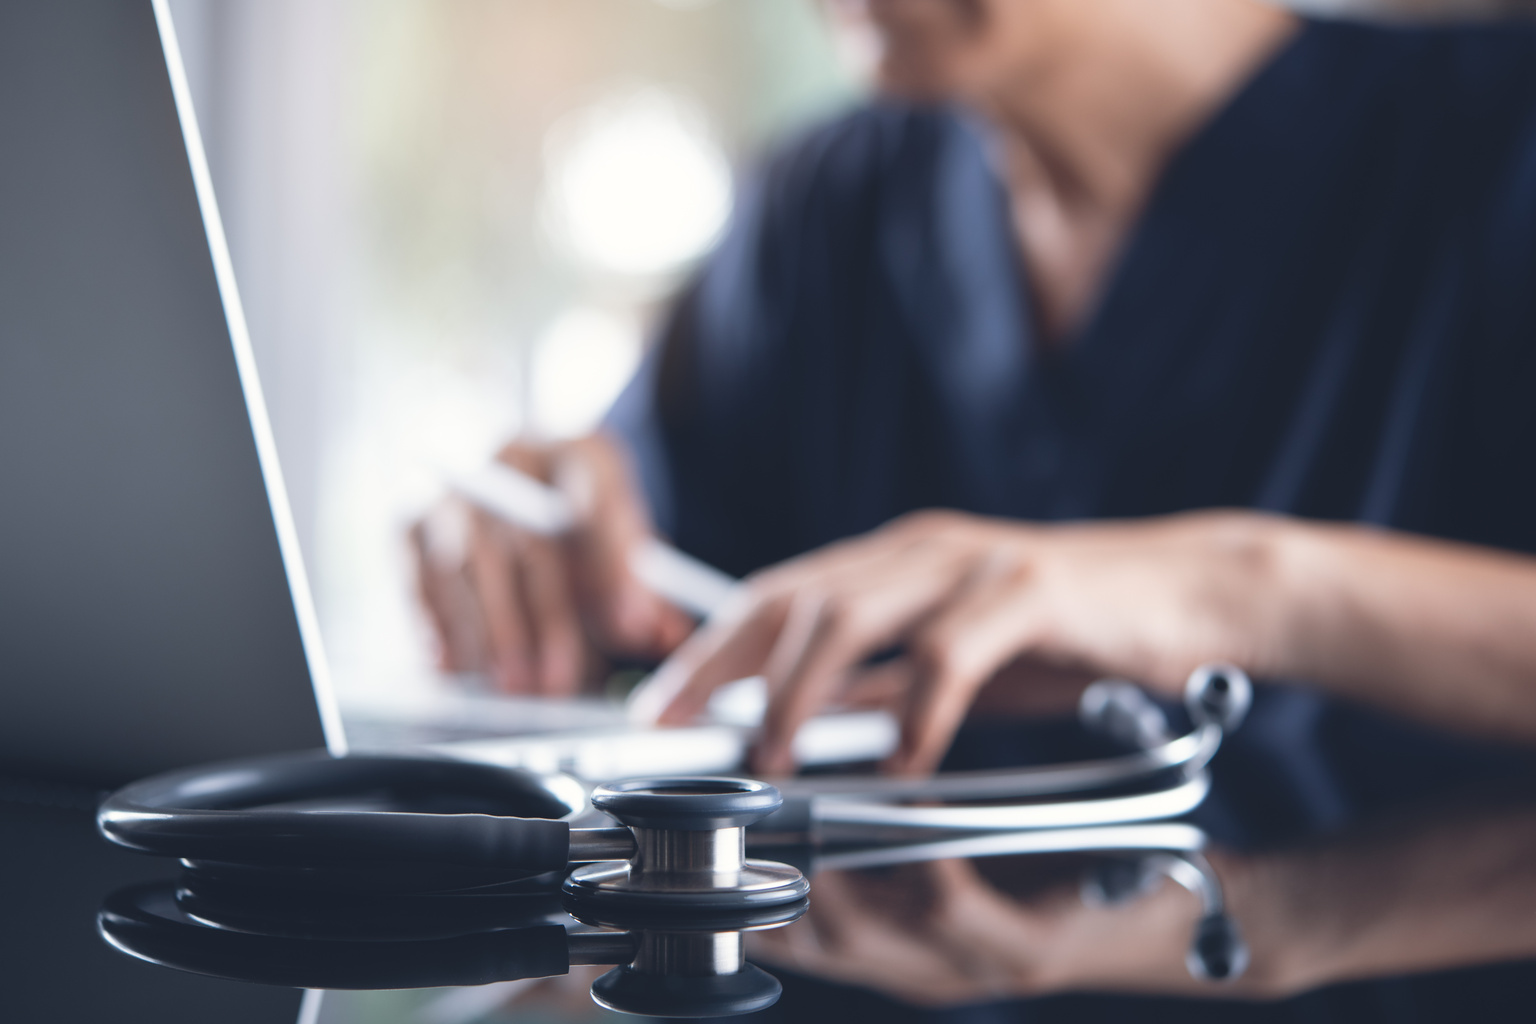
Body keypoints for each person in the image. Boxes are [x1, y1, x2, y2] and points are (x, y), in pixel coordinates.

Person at [413, 0, 1536, 840]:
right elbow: (647, 609)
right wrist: (534, 552)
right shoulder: (823, 215)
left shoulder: (1499, 145)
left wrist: (1237, 589)